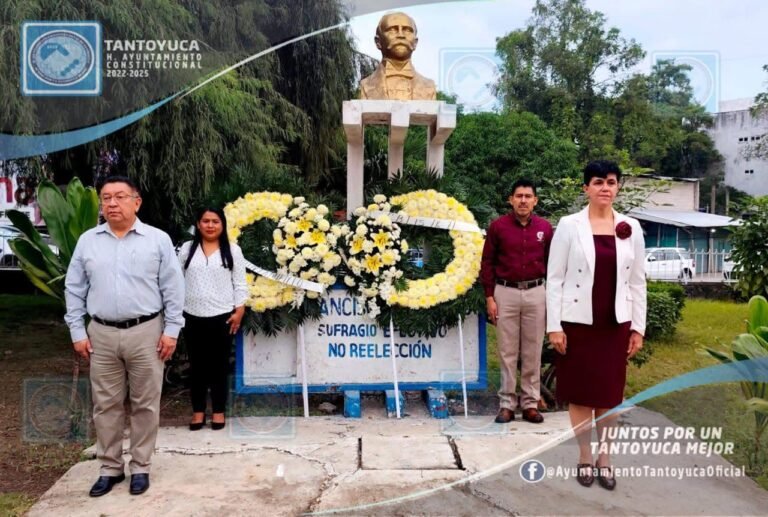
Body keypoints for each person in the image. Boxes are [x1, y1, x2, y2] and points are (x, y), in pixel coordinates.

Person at [65, 176, 185, 497]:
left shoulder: (157, 240)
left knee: (146, 403)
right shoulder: (88, 242)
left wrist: (172, 330)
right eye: (106, 198)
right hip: (101, 334)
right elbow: (74, 288)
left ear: (137, 201)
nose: (112, 204)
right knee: (106, 405)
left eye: (120, 197)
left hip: (147, 332)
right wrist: (77, 331)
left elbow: (173, 288)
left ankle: (141, 467)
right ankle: (109, 468)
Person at [546, 160, 647, 491]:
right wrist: (554, 326)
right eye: (599, 182)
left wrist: (638, 328)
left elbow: (638, 282)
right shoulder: (569, 225)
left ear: (618, 187)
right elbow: (555, 280)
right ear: (586, 187)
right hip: (578, 325)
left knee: (609, 396)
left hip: (615, 324)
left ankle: (606, 458)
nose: (606, 187)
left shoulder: (630, 227)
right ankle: (585, 457)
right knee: (581, 395)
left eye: (612, 182)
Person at [480, 179, 553, 424]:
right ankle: (507, 404)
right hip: (505, 292)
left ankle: (530, 403)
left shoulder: (545, 228)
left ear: (535, 201)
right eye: (518, 196)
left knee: (533, 350)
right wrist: (490, 296)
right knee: (507, 350)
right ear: (510, 199)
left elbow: (552, 265)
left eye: (528, 196)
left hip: (536, 292)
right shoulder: (498, 227)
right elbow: (487, 263)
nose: (523, 200)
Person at [177, 207, 247, 431]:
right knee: (196, 367)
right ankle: (198, 412)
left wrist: (239, 310)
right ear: (198, 224)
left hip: (222, 317)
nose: (210, 225)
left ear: (222, 224)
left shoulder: (232, 250)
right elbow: (176, 280)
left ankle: (218, 411)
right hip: (192, 316)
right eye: (205, 221)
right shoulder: (187, 250)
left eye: (215, 221)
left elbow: (240, 283)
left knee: (218, 366)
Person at [359, 12, 437, 100]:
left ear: (415, 43)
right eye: (392, 30)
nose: (401, 35)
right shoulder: (366, 85)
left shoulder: (429, 87)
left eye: (407, 30)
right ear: (378, 42)